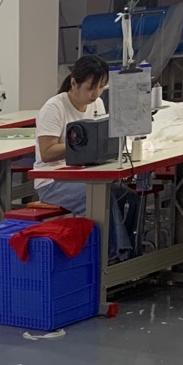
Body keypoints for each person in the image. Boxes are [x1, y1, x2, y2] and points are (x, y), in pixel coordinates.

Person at [33, 55, 133, 258]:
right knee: (104, 199)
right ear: (74, 83)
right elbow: (47, 152)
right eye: (91, 88)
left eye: (101, 87)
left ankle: (131, 251)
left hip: (84, 175)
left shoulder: (97, 105)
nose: (96, 94)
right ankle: (114, 257)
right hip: (52, 182)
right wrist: (81, 144)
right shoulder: (54, 108)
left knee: (129, 197)